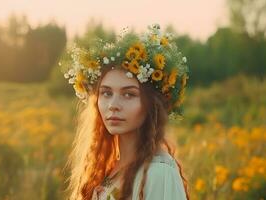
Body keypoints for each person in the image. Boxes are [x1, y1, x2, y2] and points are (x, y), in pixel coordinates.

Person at [61, 24, 190, 200]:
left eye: (129, 94)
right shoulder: (110, 168)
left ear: (151, 105)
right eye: (106, 93)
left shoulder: (158, 172)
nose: (113, 105)